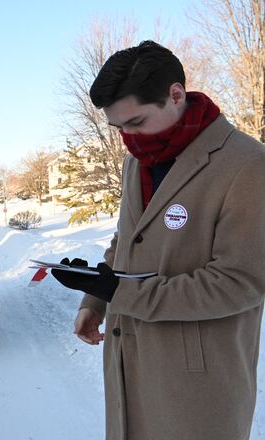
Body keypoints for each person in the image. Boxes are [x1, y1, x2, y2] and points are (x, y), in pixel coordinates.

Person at [51, 40, 265, 440]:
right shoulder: (137, 161)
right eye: (118, 128)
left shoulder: (247, 165)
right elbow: (127, 240)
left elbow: (241, 282)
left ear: (176, 95)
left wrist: (122, 294)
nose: (127, 138)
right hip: (131, 365)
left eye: (135, 122)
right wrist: (96, 299)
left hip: (196, 387)